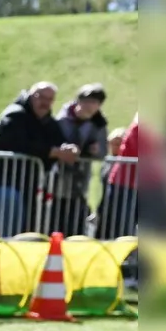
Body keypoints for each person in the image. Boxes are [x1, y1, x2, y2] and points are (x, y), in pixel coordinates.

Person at [0, 82, 76, 237]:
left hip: (27, 185)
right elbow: (18, 144)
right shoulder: (14, 114)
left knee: (25, 229)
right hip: (1, 181)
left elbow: (60, 142)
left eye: (50, 99)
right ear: (31, 96)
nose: (45, 102)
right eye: (41, 97)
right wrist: (51, 152)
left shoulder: (49, 122)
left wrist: (70, 149)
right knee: (7, 226)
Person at [53, 83, 110, 237]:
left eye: (95, 103)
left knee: (76, 226)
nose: (90, 107)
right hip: (55, 180)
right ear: (78, 101)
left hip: (80, 184)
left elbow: (103, 153)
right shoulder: (61, 119)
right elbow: (51, 143)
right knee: (53, 223)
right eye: (87, 102)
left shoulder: (99, 124)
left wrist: (94, 151)